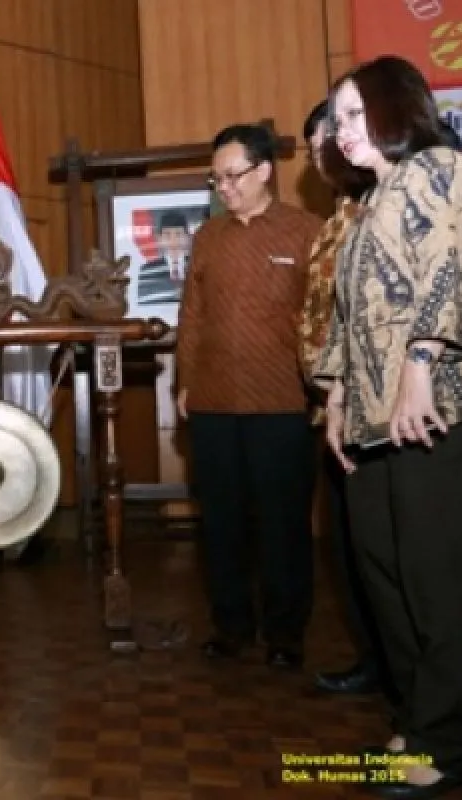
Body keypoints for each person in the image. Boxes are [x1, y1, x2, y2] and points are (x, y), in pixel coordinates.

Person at [315, 55, 462, 797]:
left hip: (434, 412)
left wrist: (419, 365)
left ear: (393, 106)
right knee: (385, 581)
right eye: (335, 119)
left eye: (353, 114)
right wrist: (336, 397)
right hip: (373, 424)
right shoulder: (368, 202)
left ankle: (448, 742)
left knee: (438, 584)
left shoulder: (439, 169)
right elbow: (349, 317)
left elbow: (453, 267)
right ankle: (419, 718)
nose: (340, 131)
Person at [176, 123, 323, 670]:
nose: (225, 188)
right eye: (216, 179)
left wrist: (323, 390)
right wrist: (185, 382)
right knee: (221, 524)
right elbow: (192, 318)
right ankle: (231, 626)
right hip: (213, 404)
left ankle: (286, 635)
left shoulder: (307, 231)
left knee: (284, 526)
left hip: (283, 404)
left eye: (233, 176)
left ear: (264, 170)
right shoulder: (207, 238)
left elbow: (322, 320)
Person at [296, 100, 391, 699]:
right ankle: (376, 662)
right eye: (312, 150)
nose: (320, 158)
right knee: (349, 550)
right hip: (329, 408)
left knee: (382, 554)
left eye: (327, 143)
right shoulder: (336, 218)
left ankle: (410, 683)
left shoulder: (385, 209)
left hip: (375, 408)